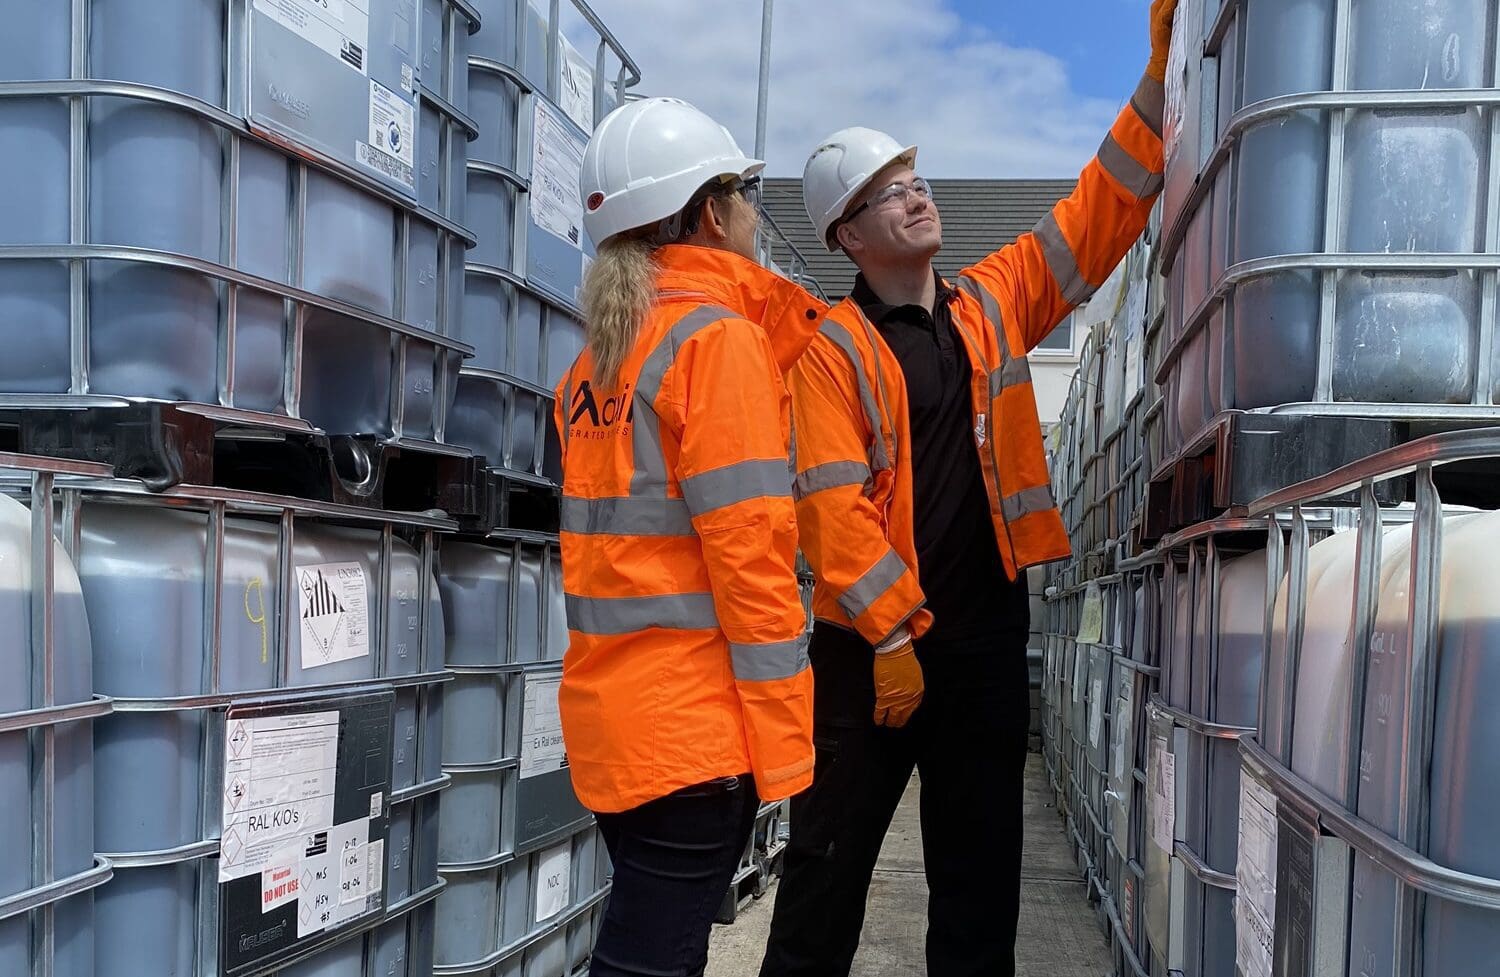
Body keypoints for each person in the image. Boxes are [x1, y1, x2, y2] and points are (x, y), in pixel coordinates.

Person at [758, 2, 1179, 975]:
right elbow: (833, 511)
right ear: (848, 235)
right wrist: (897, 635)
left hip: (986, 643)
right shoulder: (832, 352)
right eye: (888, 194)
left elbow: (1098, 210)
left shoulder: (994, 300)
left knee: (981, 893)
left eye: (916, 181)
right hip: (872, 657)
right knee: (824, 879)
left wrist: (1154, 87)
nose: (917, 199)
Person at [554, 96, 825, 977]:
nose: (755, 208)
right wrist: (787, 755)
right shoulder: (719, 343)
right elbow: (752, 562)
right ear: (712, 212)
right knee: (648, 963)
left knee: (649, 950)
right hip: (692, 734)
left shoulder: (597, 359)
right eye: (747, 190)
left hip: (614, 727)